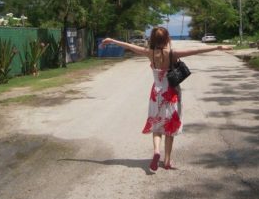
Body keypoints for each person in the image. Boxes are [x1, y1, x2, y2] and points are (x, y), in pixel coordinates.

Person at [100, 26, 233, 171]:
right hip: (171, 93)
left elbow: (130, 46)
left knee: (157, 125)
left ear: (152, 39)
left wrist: (112, 40)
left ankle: (157, 151)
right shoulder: (173, 53)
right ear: (167, 38)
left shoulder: (149, 53)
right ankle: (167, 160)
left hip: (156, 94)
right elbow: (196, 50)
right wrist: (218, 47)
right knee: (169, 127)